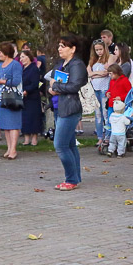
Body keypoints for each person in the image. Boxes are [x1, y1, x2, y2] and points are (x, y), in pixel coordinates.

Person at [48, 36, 88, 191]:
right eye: (59, 45)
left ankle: (70, 179)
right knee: (70, 145)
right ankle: (75, 178)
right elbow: (51, 80)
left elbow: (74, 86)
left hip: (70, 108)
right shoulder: (60, 64)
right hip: (58, 106)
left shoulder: (77, 64)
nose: (59, 48)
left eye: (63, 46)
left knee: (60, 145)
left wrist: (55, 87)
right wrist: (51, 88)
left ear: (73, 49)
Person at [0, 42, 23, 160]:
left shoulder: (15, 65)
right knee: (6, 125)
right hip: (0, 98)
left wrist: (1, 81)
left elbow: (16, 81)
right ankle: (9, 148)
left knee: (13, 124)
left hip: (12, 98)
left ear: (6, 52)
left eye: (0, 52)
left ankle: (13, 149)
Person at [17, 51, 44, 146]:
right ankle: (26, 139)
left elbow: (35, 83)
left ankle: (34, 139)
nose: (21, 59)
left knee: (33, 118)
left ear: (29, 57)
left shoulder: (34, 69)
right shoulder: (21, 69)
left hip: (32, 97)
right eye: (20, 57)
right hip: (23, 97)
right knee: (25, 118)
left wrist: (26, 90)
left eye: (23, 57)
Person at [88, 40, 111, 147]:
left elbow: (106, 73)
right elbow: (89, 73)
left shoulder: (108, 59)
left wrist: (94, 74)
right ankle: (100, 137)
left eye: (100, 49)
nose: (99, 52)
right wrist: (97, 73)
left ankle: (108, 137)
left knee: (105, 113)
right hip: (95, 88)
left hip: (104, 88)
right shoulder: (93, 60)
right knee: (98, 114)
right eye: (96, 50)